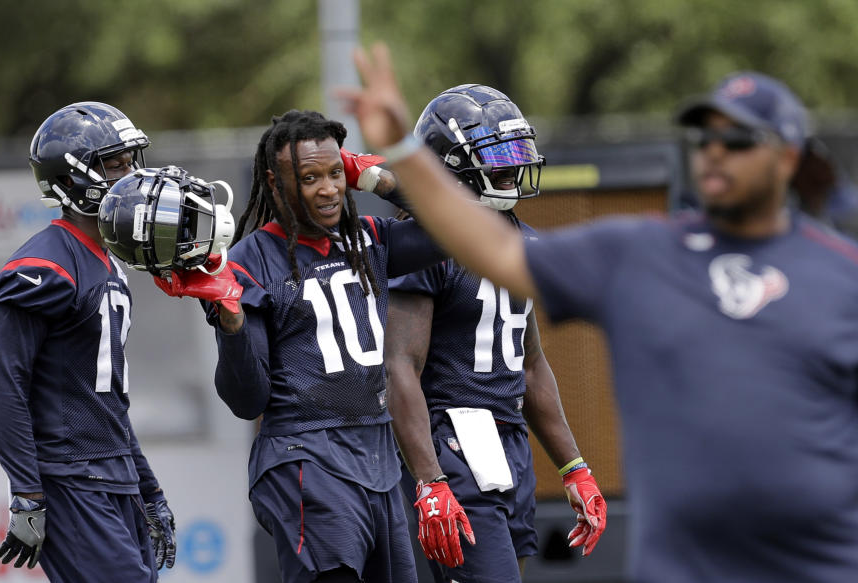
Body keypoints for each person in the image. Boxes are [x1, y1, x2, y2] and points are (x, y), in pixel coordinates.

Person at [342, 45, 858, 583]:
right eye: (705, 139)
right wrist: (401, 153)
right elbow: (468, 256)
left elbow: (532, 361)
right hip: (463, 440)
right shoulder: (643, 251)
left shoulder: (841, 274)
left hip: (811, 549)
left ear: (788, 159)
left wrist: (575, 467)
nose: (715, 153)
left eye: (738, 140)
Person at [154, 109, 466, 583]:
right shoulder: (250, 260)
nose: (328, 189)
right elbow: (247, 400)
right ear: (275, 183)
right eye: (309, 177)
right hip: (306, 457)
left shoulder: (369, 239)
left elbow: (460, 222)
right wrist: (233, 324)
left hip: (377, 458)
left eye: (335, 173)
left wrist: (377, 177)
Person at [385, 84, 606, 583]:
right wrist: (429, 480)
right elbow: (399, 366)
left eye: (513, 152)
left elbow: (529, 363)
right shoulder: (427, 246)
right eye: (493, 156)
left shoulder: (520, 242)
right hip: (453, 442)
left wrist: (573, 467)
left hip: (509, 444)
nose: (509, 167)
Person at [0, 102, 176, 582]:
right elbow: (1, 386)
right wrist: (27, 492)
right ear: (72, 179)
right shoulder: (45, 263)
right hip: (70, 476)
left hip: (114, 474)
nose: (130, 175)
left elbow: (105, 399)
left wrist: (148, 489)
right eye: (115, 164)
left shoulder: (109, 260)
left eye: (132, 162)